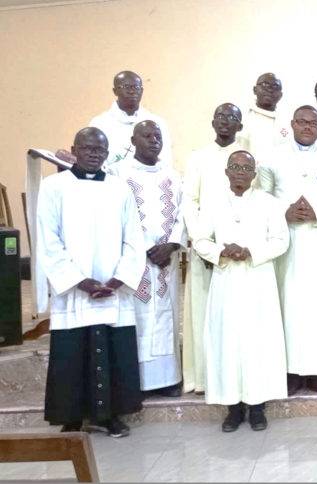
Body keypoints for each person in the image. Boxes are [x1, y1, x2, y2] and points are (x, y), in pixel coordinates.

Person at [37, 127, 145, 437]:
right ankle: (72, 417)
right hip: (74, 289)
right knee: (72, 353)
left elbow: (133, 237)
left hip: (113, 288)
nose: (94, 154)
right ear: (74, 150)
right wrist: (78, 281)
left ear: (107, 154)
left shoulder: (119, 189)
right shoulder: (53, 187)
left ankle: (110, 416)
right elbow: (48, 239)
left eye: (100, 150)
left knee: (113, 352)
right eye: (87, 148)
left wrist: (118, 279)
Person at [257, 105, 317, 396]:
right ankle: (291, 371)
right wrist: (283, 213)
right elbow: (259, 201)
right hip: (286, 243)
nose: (307, 127)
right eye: (302, 121)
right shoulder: (272, 158)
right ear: (292, 124)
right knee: (288, 305)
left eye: (313, 123)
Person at [193, 151, 289, 432]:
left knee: (259, 341)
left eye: (246, 168)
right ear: (226, 171)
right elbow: (200, 240)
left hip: (259, 280)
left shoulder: (269, 203)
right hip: (225, 281)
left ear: (254, 174)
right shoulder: (212, 203)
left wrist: (250, 252)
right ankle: (233, 408)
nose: (240, 172)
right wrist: (221, 252)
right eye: (235, 166)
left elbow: (281, 241)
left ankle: (258, 407)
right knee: (227, 341)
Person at [107, 121, 185, 397]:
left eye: (158, 136)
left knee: (166, 315)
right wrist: (148, 247)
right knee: (136, 316)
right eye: (147, 135)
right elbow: (116, 215)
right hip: (133, 260)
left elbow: (182, 213)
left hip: (166, 261)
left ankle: (168, 379)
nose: (154, 140)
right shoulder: (117, 173)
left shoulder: (172, 176)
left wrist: (172, 244)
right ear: (133, 140)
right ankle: (136, 382)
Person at [181, 103, 245, 395]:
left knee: (235, 318)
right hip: (204, 249)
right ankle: (204, 378)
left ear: (240, 126)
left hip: (238, 253)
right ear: (213, 122)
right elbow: (190, 202)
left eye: (232, 118)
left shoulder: (247, 158)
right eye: (220, 116)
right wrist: (203, 244)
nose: (225, 121)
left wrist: (236, 247)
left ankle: (235, 380)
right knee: (203, 315)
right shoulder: (198, 158)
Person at [89, 71, 173, 169]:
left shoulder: (158, 123)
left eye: (136, 87)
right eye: (126, 87)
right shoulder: (100, 123)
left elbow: (165, 160)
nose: (132, 91)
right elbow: (95, 160)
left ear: (142, 91)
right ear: (115, 91)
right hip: (112, 177)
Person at [239, 73, 291, 162]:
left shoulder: (287, 123)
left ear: (281, 95)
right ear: (255, 90)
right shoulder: (241, 116)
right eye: (265, 85)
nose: (270, 90)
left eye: (276, 87)